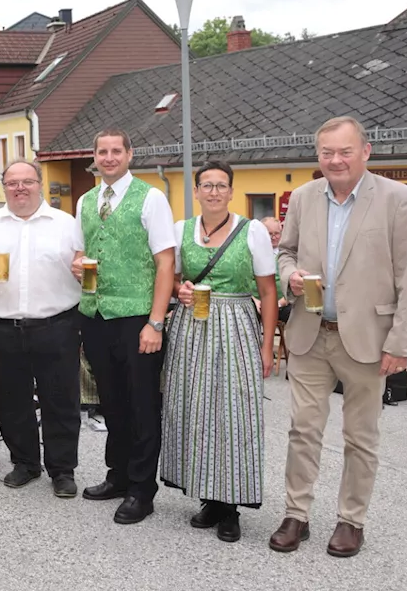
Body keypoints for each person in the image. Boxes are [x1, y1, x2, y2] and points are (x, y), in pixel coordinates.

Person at [271, 117, 407, 558]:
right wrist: (290, 276)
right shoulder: (303, 197)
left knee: (361, 437)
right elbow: (286, 251)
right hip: (309, 333)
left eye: (344, 151)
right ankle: (296, 514)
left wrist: (400, 344)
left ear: (365, 151)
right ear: (317, 155)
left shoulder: (398, 199)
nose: (335, 160)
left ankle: (350, 521)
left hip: (368, 340)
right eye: (326, 152)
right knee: (303, 431)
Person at [161, 160, 278, 543]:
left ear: (231, 191)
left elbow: (268, 292)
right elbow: (173, 277)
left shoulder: (253, 231)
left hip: (237, 324)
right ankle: (209, 498)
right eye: (206, 185)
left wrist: (267, 345)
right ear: (195, 192)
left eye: (221, 185)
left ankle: (231, 507)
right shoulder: (182, 230)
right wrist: (180, 289)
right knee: (195, 410)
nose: (213, 191)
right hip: (192, 326)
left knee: (234, 413)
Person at [0, 160, 82, 498]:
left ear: (40, 184)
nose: (20, 188)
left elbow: (84, 266)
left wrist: (83, 271)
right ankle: (25, 462)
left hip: (56, 324)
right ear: (4, 187)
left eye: (27, 181)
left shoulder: (66, 224)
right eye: (12, 183)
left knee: (61, 399)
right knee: (12, 400)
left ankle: (62, 470)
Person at [71, 128, 176, 524]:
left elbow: (166, 263)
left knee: (142, 404)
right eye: (102, 151)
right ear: (94, 157)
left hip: (137, 317)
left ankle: (141, 490)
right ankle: (117, 475)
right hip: (96, 313)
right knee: (110, 401)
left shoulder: (151, 197)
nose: (109, 157)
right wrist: (76, 264)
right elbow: (81, 252)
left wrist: (155, 322)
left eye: (117, 151)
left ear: (130, 155)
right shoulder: (85, 200)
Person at [258, 216, 291, 323]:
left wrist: (279, 303)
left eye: (277, 233)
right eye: (269, 233)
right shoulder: (252, 253)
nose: (274, 237)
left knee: (296, 314)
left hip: (282, 305)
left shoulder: (288, 255)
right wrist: (255, 302)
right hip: (257, 305)